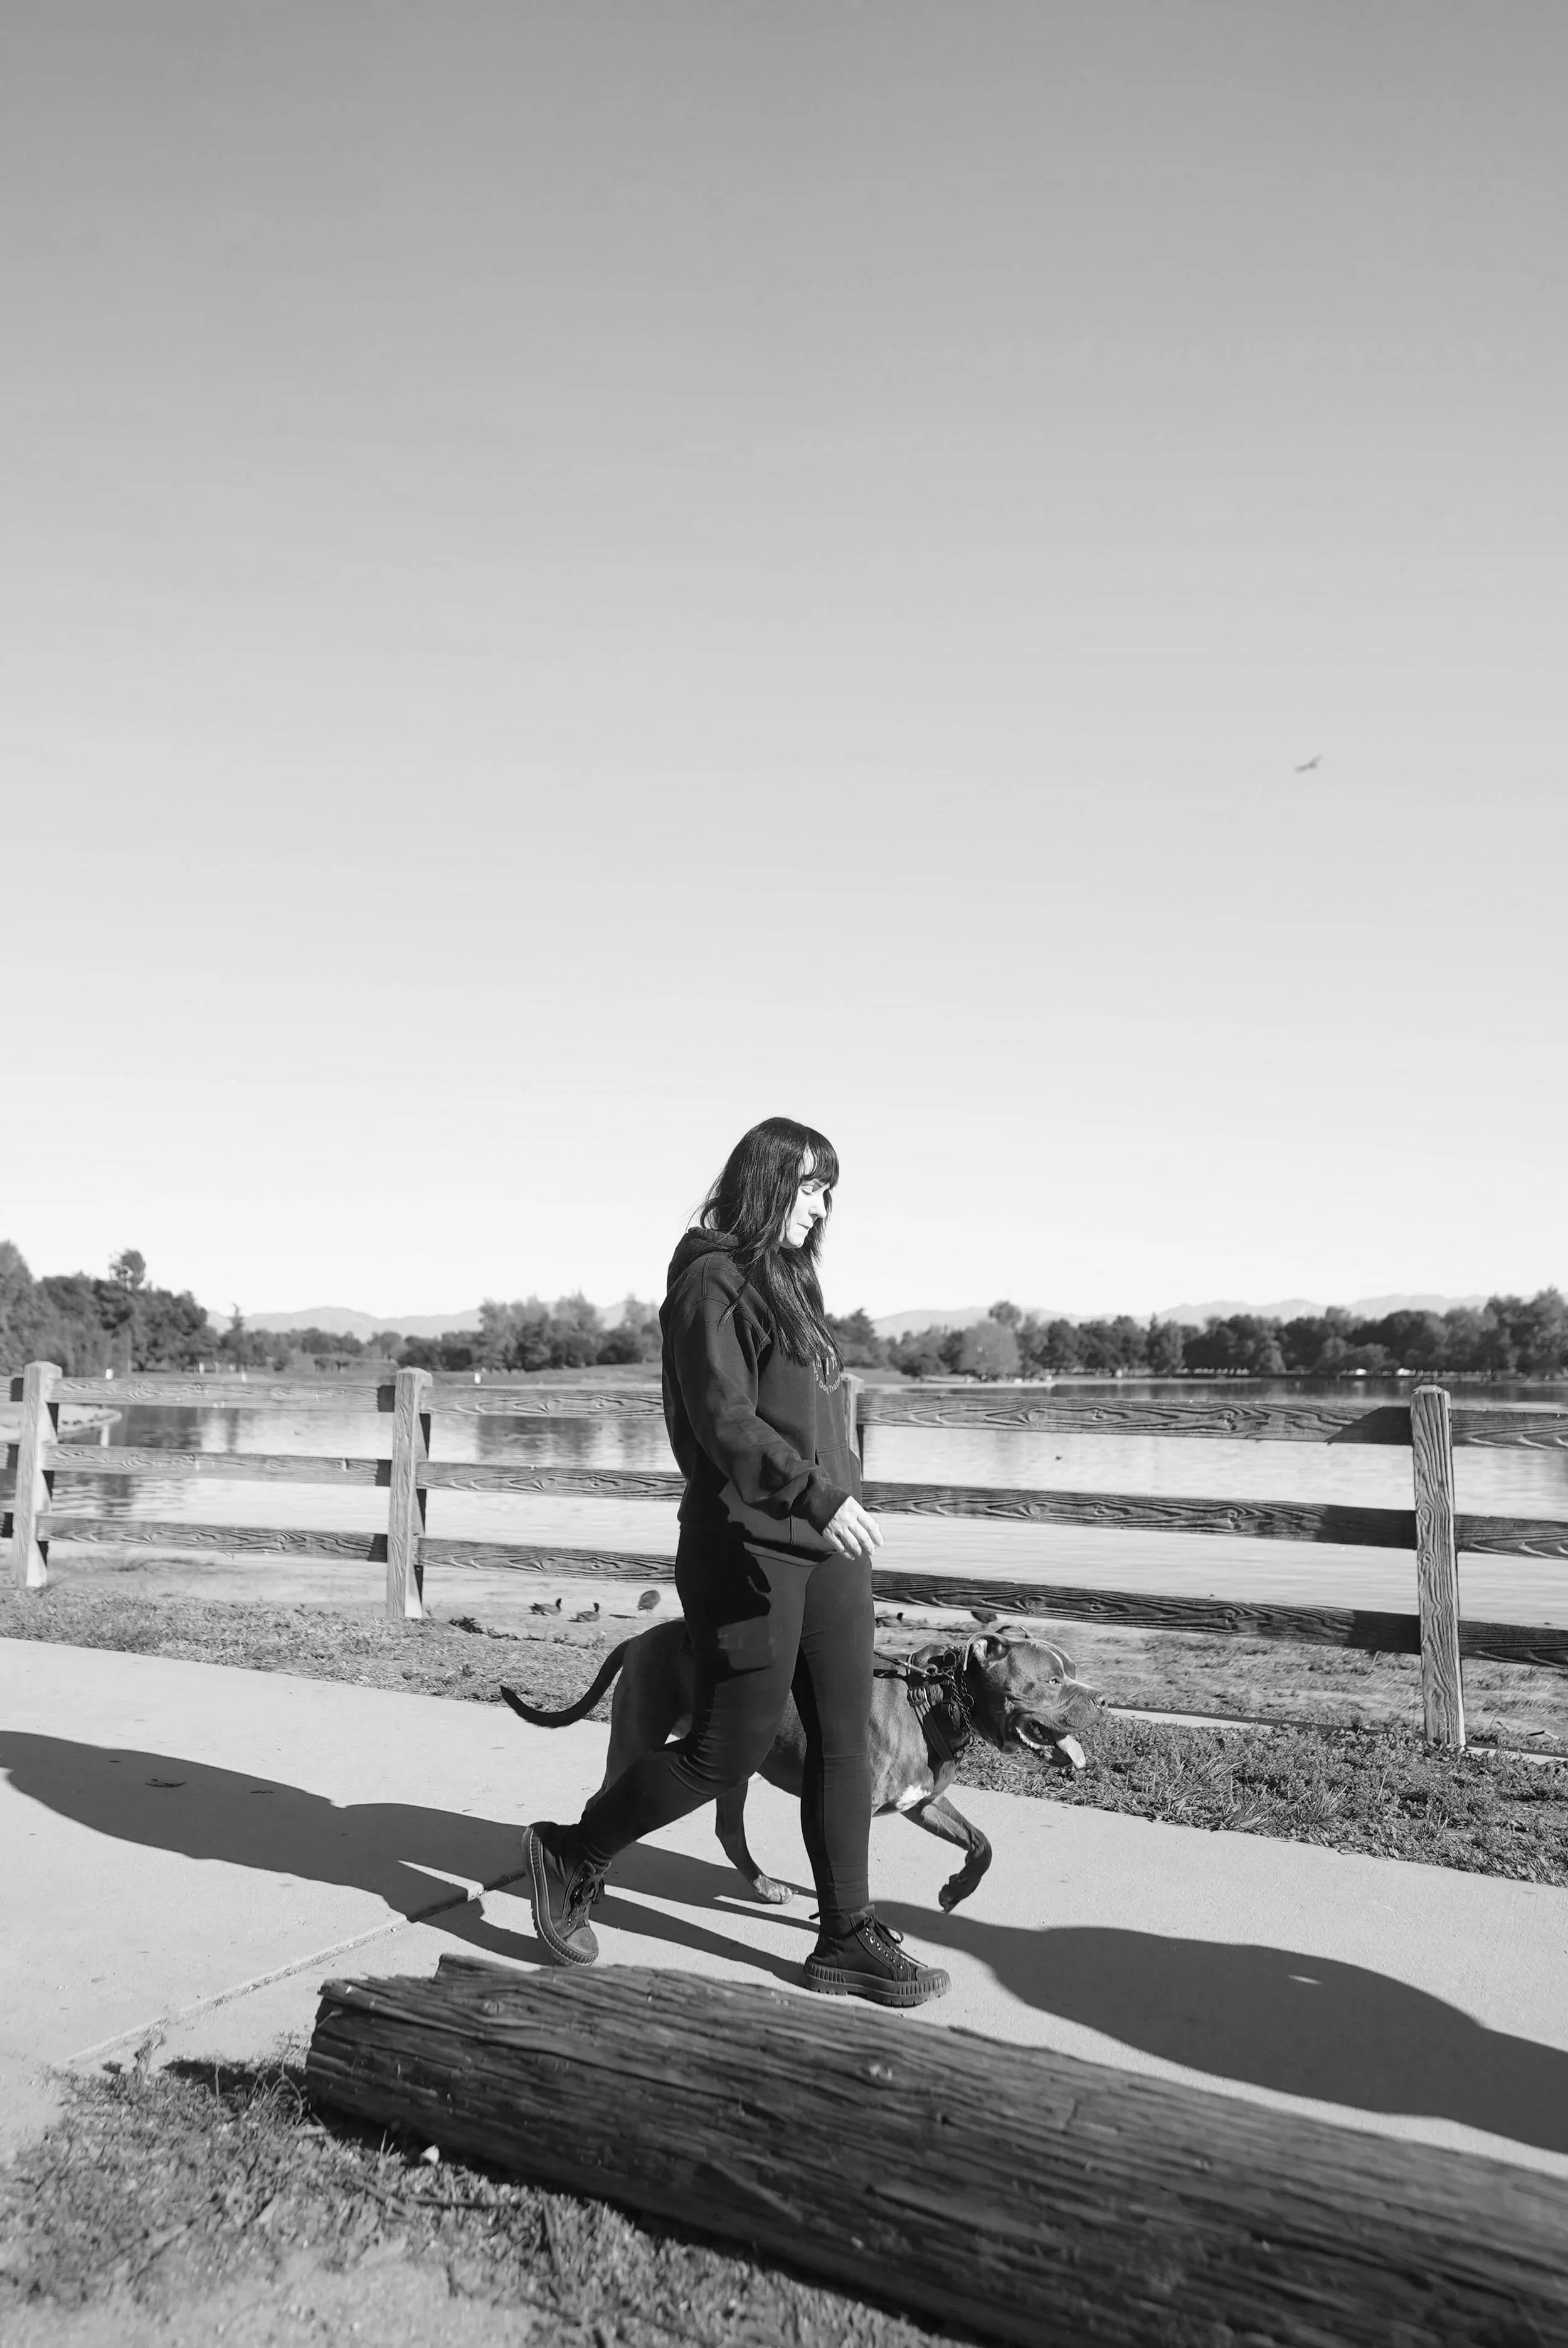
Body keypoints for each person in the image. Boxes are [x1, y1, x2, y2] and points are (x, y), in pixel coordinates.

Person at [522, 1115, 950, 2008]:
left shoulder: (792, 1280)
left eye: (830, 1189)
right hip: (746, 1547)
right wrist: (817, 1494)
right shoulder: (711, 1280)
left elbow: (809, 1415)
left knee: (842, 1741)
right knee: (728, 1747)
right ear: (765, 1181)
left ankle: (845, 1934)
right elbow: (724, 1422)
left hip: (826, 1548)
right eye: (809, 1186)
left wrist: (837, 1498)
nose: (822, 1206)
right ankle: (571, 1851)